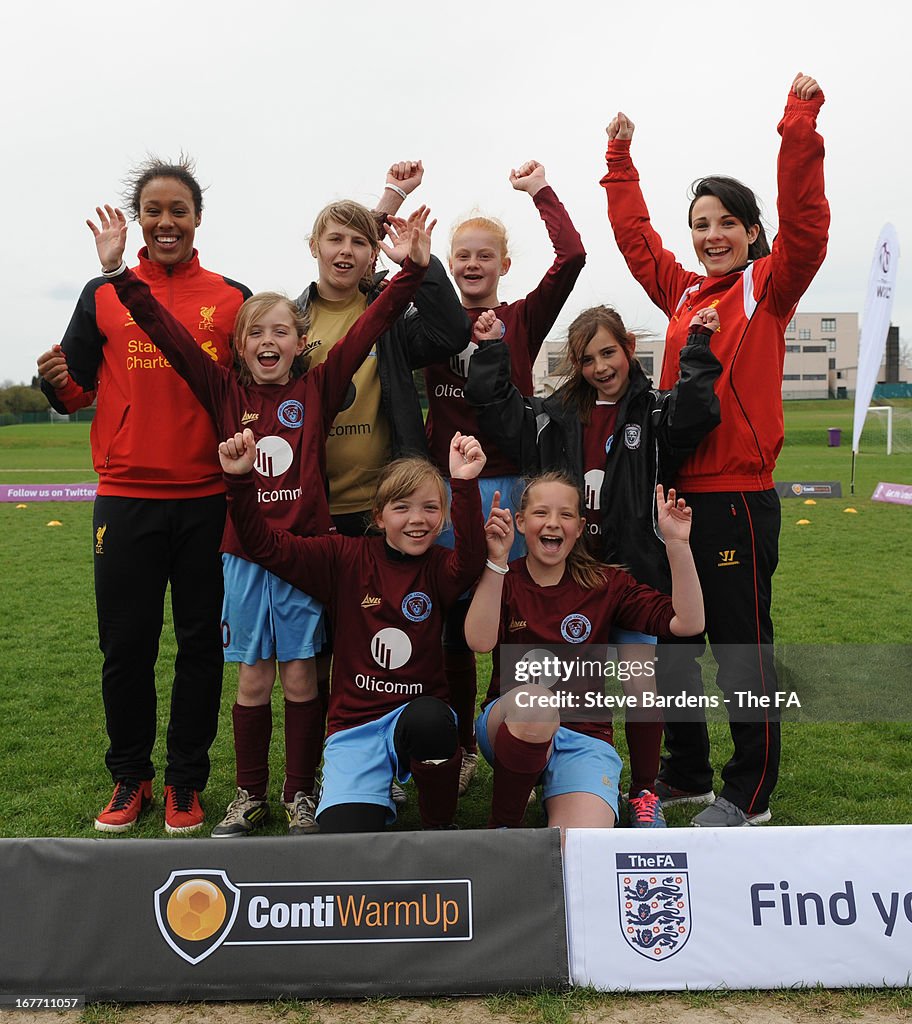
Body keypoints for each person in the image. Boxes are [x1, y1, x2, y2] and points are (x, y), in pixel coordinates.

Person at [85, 203, 436, 838]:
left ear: (301, 343)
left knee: (302, 676)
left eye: (281, 332)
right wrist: (118, 274)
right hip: (243, 555)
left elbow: (371, 325)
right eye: (256, 333)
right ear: (238, 345)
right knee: (252, 678)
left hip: (305, 555)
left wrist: (408, 273)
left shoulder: (320, 388)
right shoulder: (222, 390)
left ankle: (299, 794)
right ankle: (249, 797)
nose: (269, 342)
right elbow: (164, 332)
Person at [601, 73, 829, 826]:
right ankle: (689, 770)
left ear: (752, 232)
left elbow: (807, 223)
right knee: (675, 647)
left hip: (736, 499)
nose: (711, 235)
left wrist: (798, 129)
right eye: (701, 224)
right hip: (678, 501)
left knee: (740, 651)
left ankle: (750, 791)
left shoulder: (768, 286)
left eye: (727, 221)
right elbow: (638, 245)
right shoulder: (686, 294)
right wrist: (620, 162)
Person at [37, 156, 251, 834]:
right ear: (139, 220)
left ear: (196, 219)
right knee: (125, 646)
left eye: (178, 210)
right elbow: (75, 392)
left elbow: (258, 389)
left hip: (207, 500)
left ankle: (185, 784)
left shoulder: (232, 297)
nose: (165, 222)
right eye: (153, 210)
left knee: (200, 646)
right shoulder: (103, 293)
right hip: (125, 498)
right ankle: (130, 779)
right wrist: (51, 380)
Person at [465, 305, 722, 826]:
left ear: (628, 345)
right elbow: (498, 410)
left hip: (626, 572)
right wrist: (492, 348)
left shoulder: (651, 409)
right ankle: (534, 767)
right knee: (545, 677)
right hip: (565, 570)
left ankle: (644, 792)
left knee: (639, 682)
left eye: (609, 352)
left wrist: (697, 346)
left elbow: (697, 413)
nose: (601, 366)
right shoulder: (554, 414)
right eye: (587, 359)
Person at [217, 429, 487, 833]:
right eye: (402, 507)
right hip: (356, 728)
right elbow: (264, 546)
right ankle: (361, 788)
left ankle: (438, 825)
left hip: (415, 717)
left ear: (443, 517)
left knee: (433, 721)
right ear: (379, 517)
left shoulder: (438, 566)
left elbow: (471, 561)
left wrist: (463, 482)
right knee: (345, 835)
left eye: (431, 508)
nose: (417, 519)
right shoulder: (343, 557)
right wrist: (240, 480)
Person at [427, 161, 587, 795]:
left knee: (511, 621)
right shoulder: (433, 323)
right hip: (448, 494)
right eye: (461, 255)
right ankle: (461, 743)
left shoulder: (522, 319)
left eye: (484, 255)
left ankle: (504, 735)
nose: (472, 264)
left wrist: (540, 193)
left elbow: (572, 257)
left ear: (502, 265)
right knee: (453, 625)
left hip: (513, 488)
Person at [464, 476, 704, 830]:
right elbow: (479, 642)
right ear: (520, 522)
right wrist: (497, 561)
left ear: (578, 528)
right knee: (536, 704)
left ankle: (576, 791)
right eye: (540, 513)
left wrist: (677, 544)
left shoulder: (606, 584)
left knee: (578, 845)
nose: (552, 523)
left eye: (565, 515)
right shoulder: (506, 578)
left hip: (583, 739)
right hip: (510, 726)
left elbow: (689, 621)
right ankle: (504, 831)